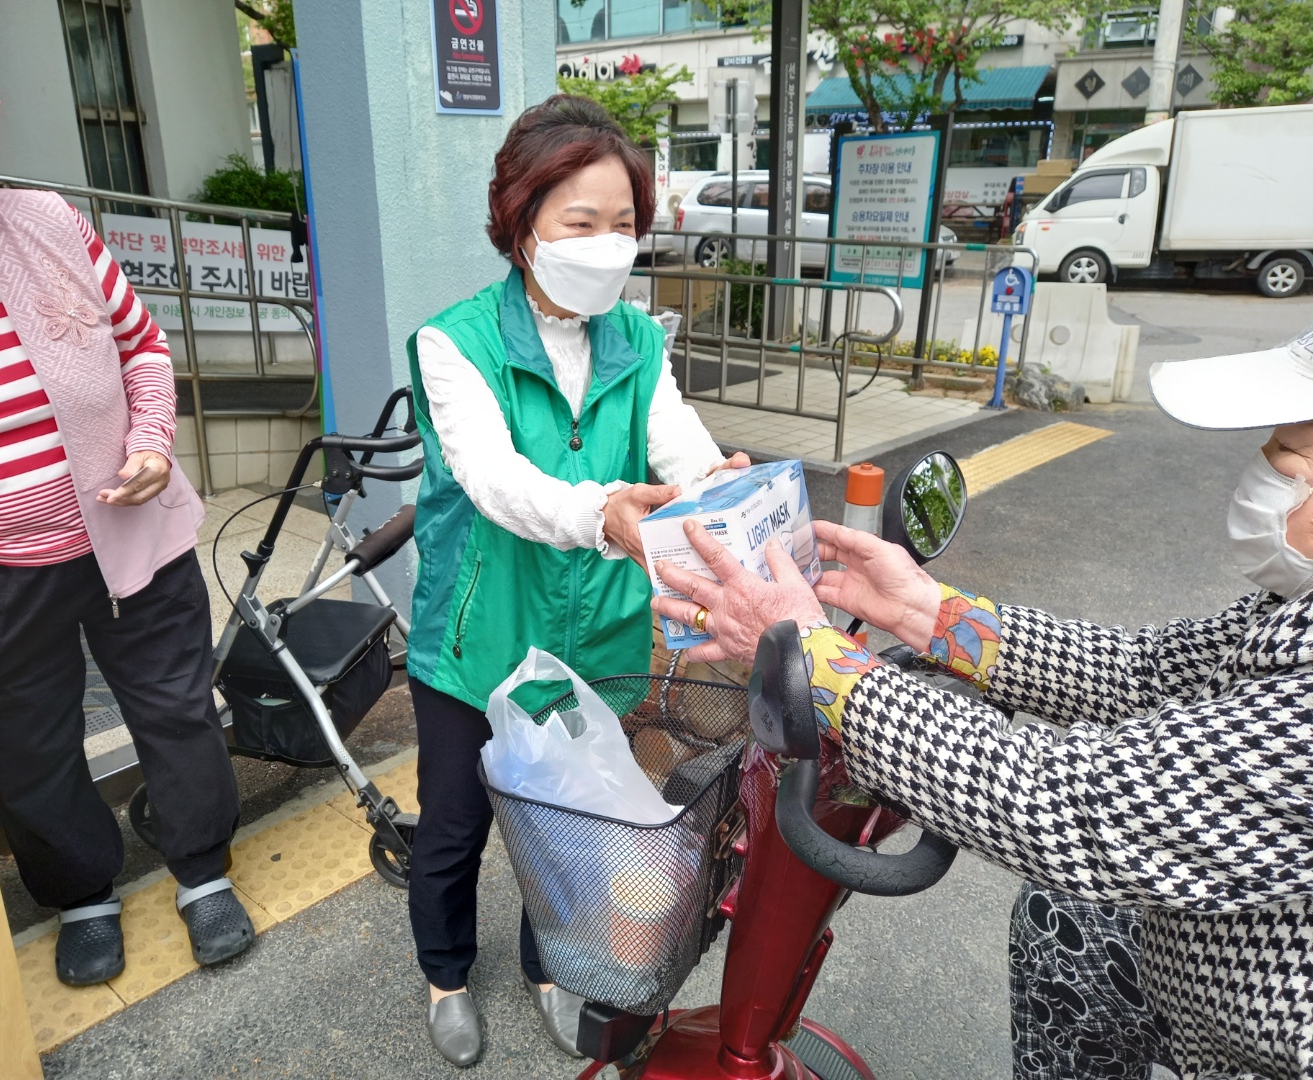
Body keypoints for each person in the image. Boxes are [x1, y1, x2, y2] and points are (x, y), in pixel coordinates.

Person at [650, 328, 1313, 1080]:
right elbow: (1144, 671)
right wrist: (932, 614)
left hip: (1266, 1040)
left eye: (1288, 459)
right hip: (1204, 948)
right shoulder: (1289, 606)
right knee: (1064, 920)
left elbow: (1082, 806)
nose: (1264, 471)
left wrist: (819, 662)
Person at [0, 27, 253, 986]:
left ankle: (203, 870)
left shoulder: (43, 220)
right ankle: (82, 891)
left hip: (129, 533)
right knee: (26, 748)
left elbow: (144, 349)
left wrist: (152, 442)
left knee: (175, 712)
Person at [404, 94, 747, 1067]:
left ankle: (551, 966)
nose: (607, 245)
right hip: (479, 646)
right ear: (521, 223)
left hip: (598, 636)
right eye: (580, 223)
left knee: (567, 827)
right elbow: (499, 484)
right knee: (457, 827)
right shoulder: (453, 342)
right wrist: (604, 515)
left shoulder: (639, 342)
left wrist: (715, 486)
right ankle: (444, 974)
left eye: (625, 225)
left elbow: (678, 445)